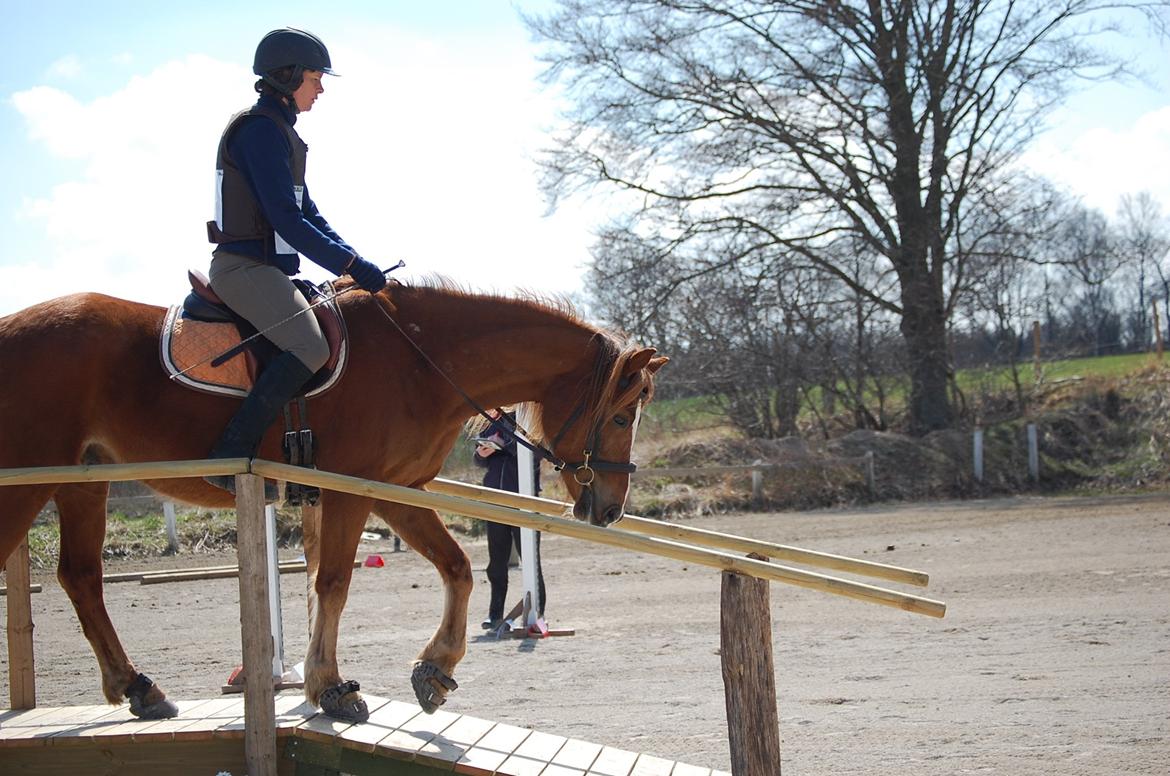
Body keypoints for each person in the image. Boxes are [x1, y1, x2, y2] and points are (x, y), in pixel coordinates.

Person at [202, 28, 388, 495]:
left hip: (268, 270)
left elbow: (310, 214)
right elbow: (286, 220)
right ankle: (230, 454)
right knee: (310, 347)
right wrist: (348, 265)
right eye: (314, 78)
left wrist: (355, 261)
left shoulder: (280, 133)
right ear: (287, 78)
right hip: (243, 269)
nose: (320, 89)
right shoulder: (260, 132)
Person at [472, 407, 546, 631]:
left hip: (525, 502)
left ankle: (539, 615)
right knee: (496, 563)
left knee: (531, 562)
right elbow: (478, 460)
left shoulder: (529, 420)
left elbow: (536, 453)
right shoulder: (490, 421)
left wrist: (503, 444)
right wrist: (482, 453)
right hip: (495, 501)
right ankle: (494, 614)